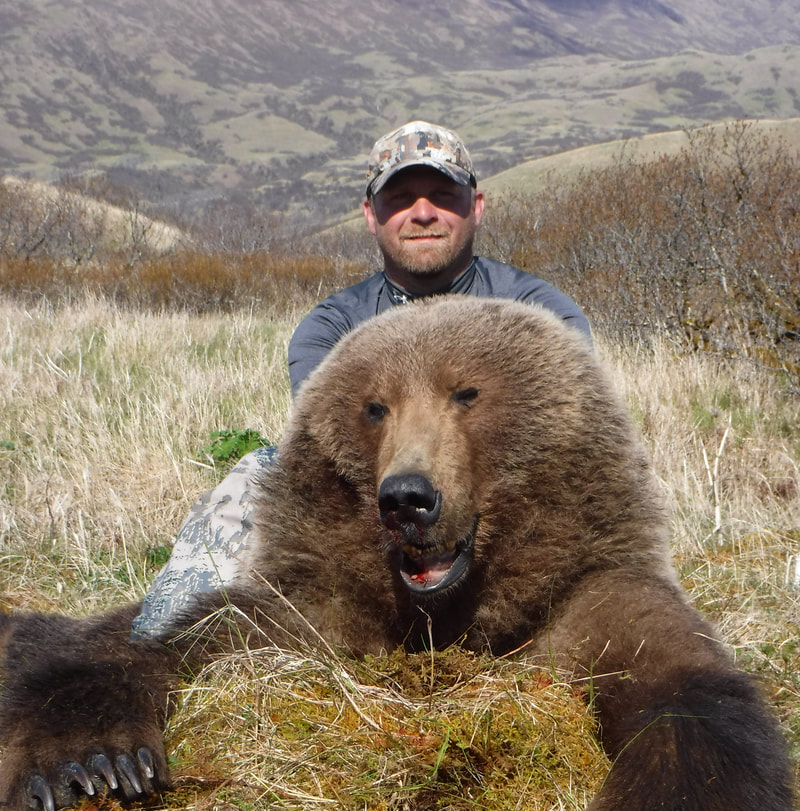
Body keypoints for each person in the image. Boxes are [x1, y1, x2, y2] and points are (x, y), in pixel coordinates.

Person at [131, 120, 591, 639]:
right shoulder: (330, 328)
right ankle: (165, 647)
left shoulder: (541, 316)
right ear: (371, 215)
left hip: (502, 523)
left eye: (443, 195)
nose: (422, 213)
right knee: (252, 475)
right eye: (400, 199)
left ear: (476, 206)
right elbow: (328, 466)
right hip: (376, 522)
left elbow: (564, 455)